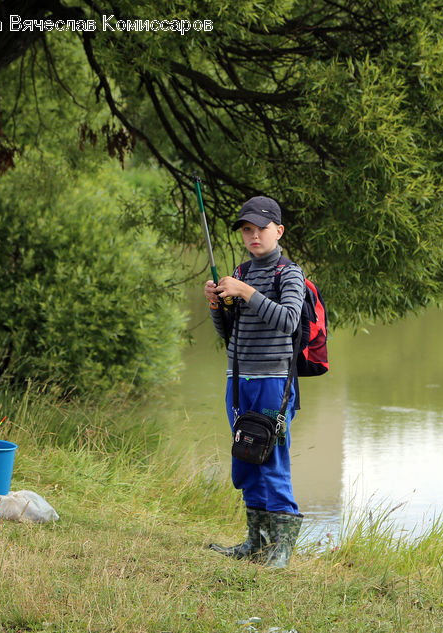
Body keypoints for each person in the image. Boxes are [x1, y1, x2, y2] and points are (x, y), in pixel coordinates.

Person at [203, 195, 305, 569]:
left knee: (272, 458)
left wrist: (246, 293)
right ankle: (256, 544)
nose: (253, 235)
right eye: (247, 229)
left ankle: (279, 550)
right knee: (247, 455)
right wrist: (217, 304)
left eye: (261, 228)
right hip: (237, 378)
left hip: (273, 381)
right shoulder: (240, 272)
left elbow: (289, 320)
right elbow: (228, 334)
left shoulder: (289, 274)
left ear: (278, 230)